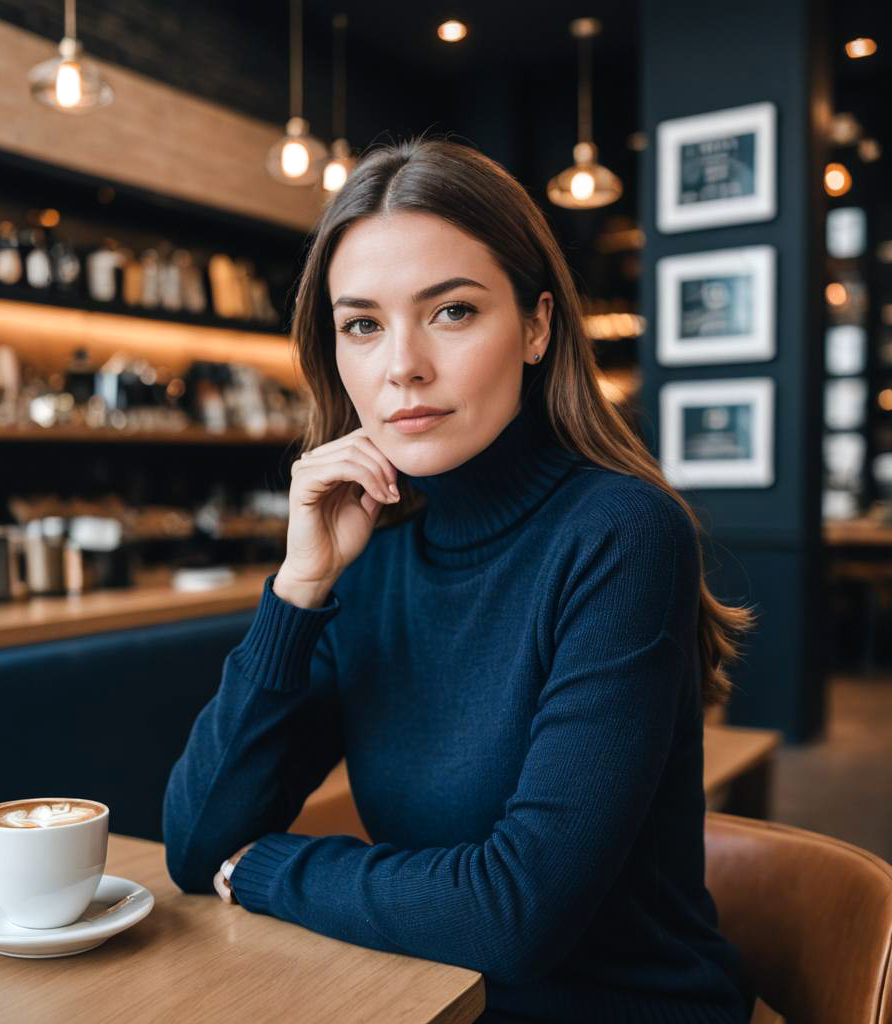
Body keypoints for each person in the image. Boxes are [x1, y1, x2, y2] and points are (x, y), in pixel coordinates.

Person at [162, 136, 758, 1024]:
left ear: (537, 325)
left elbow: (514, 913)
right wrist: (298, 589)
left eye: (450, 312)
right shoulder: (374, 557)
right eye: (363, 324)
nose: (402, 364)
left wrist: (268, 869)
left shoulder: (623, 534)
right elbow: (198, 838)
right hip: (435, 1000)